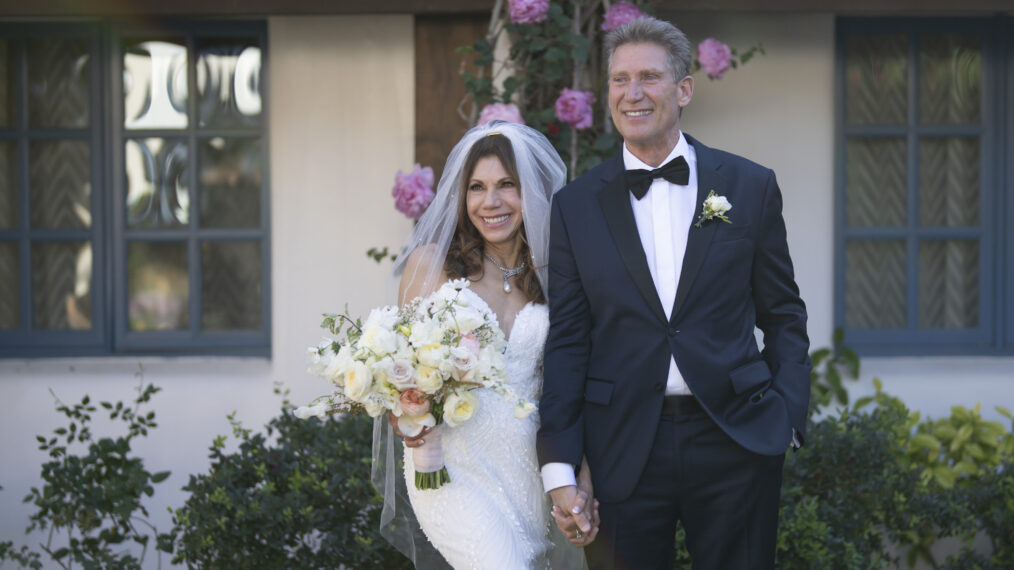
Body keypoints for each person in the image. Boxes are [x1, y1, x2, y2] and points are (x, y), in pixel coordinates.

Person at [536, 17, 811, 570]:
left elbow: (783, 314)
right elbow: (568, 339)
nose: (631, 94)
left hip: (735, 438)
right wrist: (560, 466)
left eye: (649, 77)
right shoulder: (574, 206)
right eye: (618, 79)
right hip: (621, 449)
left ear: (684, 89)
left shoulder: (749, 186)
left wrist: (787, 417)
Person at [373, 120, 597, 569]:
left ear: (531, 191)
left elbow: (577, 387)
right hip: (452, 467)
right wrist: (408, 414)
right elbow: (398, 372)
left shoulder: (563, 276)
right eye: (476, 187)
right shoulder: (431, 266)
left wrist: (582, 478)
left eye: (505, 185)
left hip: (529, 469)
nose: (490, 202)